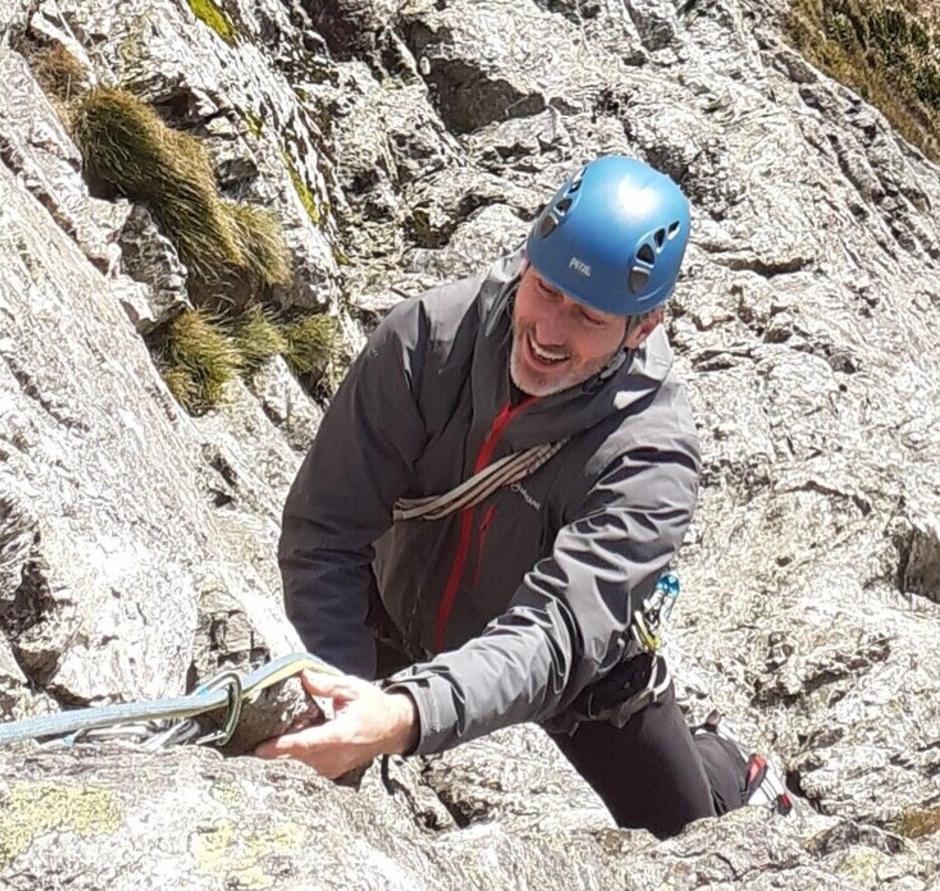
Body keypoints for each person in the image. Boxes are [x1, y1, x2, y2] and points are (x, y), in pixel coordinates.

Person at [256, 155, 791, 837]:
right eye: (544, 290)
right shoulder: (428, 342)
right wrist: (342, 705)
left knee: (684, 836)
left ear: (644, 327)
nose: (547, 331)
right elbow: (324, 531)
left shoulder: (649, 456)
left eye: (588, 317)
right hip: (391, 606)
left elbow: (555, 635)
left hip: (578, 674)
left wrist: (401, 716)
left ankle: (727, 769)